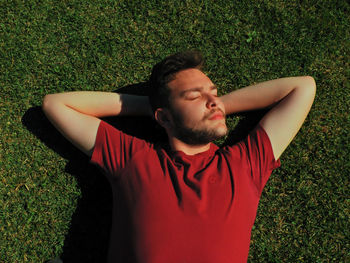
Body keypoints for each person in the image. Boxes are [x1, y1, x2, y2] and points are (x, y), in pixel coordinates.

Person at [42, 51, 316, 263]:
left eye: (214, 93)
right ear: (165, 117)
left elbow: (303, 87)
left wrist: (217, 107)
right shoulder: (134, 159)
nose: (213, 100)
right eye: (194, 96)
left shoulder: (245, 164)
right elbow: (56, 104)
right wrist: (153, 108)